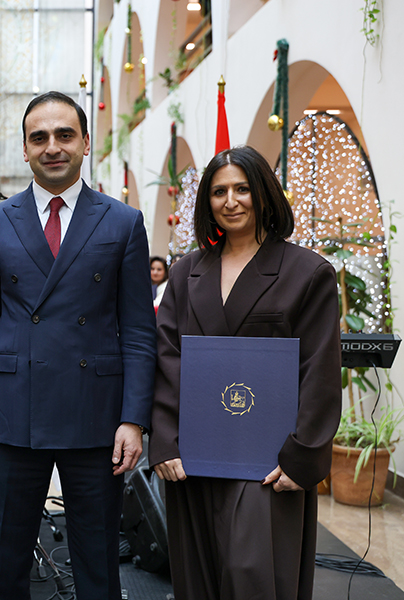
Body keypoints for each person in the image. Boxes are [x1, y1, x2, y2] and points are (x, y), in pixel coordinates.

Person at [0, 91, 157, 599]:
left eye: (65, 134)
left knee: (97, 564)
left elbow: (139, 331)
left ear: (86, 143)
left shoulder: (123, 221)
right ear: (25, 149)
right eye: (39, 137)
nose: (52, 146)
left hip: (96, 416)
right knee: (6, 563)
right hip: (12, 415)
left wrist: (134, 419)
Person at [149, 146, 342, 600]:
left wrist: (302, 457)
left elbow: (319, 369)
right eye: (219, 191)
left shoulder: (308, 272)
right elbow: (166, 358)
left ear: (264, 193)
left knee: (252, 573)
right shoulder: (186, 273)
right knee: (198, 577)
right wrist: (165, 439)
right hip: (194, 457)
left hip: (269, 462)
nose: (230, 201)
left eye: (242, 189)